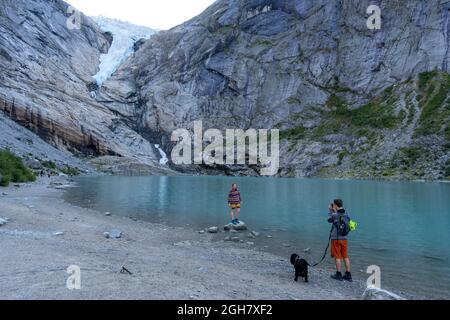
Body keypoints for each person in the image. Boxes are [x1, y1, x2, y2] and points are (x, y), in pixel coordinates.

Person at [328, 199, 352, 282]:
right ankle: (348, 274)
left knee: (337, 256)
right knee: (345, 256)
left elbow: (329, 220)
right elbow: (348, 220)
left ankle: (338, 274)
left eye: (333, 204)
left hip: (336, 238)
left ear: (335, 205)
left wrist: (330, 211)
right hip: (345, 238)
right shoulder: (347, 213)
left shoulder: (335, 214)